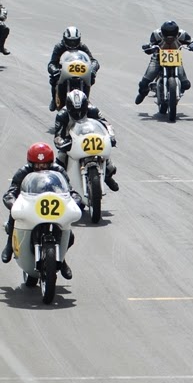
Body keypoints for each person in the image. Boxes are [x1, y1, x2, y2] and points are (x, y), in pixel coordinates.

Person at [1, 143, 82, 280]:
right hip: (30, 206)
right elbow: (11, 191)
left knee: (71, 237)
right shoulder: (23, 172)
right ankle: (9, 244)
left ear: (50, 163)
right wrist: (13, 203)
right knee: (13, 215)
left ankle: (61, 260)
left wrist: (75, 200)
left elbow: (70, 190)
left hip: (53, 209)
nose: (41, 168)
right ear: (30, 163)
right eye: (37, 165)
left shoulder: (59, 171)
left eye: (45, 165)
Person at [54, 89, 119, 192]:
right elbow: (57, 135)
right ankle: (61, 185)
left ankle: (107, 177)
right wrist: (61, 143)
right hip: (71, 141)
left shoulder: (93, 110)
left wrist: (111, 136)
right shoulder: (62, 115)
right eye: (75, 110)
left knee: (110, 166)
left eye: (81, 109)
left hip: (91, 137)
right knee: (60, 160)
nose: (78, 113)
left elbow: (106, 124)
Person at [134, 21, 193, 105]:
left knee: (185, 84)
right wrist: (148, 47)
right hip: (157, 58)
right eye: (167, 38)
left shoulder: (182, 34)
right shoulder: (156, 34)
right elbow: (150, 45)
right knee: (144, 83)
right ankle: (142, 93)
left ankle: (178, 92)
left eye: (172, 38)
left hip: (176, 59)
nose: (169, 40)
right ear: (163, 34)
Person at [48, 26, 100, 111]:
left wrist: (93, 69)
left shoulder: (82, 46)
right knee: (53, 79)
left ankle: (85, 98)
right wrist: (54, 70)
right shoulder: (59, 47)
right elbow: (52, 63)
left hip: (80, 71)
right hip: (63, 71)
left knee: (92, 77)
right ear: (65, 39)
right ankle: (54, 99)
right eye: (70, 41)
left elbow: (94, 61)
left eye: (75, 41)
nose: (72, 44)